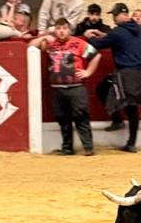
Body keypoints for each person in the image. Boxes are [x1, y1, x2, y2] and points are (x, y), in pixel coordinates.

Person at [29, 18, 102, 155]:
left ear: (69, 30)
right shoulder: (51, 43)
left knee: (81, 116)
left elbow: (96, 56)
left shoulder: (78, 43)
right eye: (58, 28)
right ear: (55, 30)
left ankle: (88, 148)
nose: (61, 31)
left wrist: (88, 72)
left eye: (64, 28)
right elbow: (31, 46)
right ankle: (67, 148)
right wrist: (44, 37)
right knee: (62, 118)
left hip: (76, 86)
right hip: (57, 88)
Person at [85, 3, 141, 153]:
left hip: (125, 73)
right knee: (132, 107)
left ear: (123, 15)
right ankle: (131, 142)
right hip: (139, 73)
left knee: (102, 89)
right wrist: (106, 35)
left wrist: (89, 37)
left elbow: (98, 44)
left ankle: (117, 120)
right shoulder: (138, 29)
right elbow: (120, 39)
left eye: (115, 15)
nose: (114, 18)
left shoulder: (118, 32)